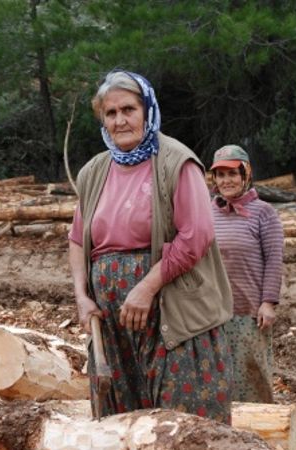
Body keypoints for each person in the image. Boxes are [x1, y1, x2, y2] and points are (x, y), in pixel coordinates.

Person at [68, 70, 235, 423]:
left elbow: (197, 236)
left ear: (148, 110)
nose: (120, 120)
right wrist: (82, 296)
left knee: (179, 416)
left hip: (170, 308)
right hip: (113, 320)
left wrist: (147, 286)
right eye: (110, 113)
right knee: (123, 421)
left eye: (128, 109)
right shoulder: (93, 172)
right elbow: (77, 240)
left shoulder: (177, 161)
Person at [209, 145, 284, 403]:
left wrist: (268, 303)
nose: (226, 181)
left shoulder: (264, 212)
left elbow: (274, 259)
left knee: (251, 376)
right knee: (216, 375)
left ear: (245, 174)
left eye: (232, 174)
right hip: (212, 311)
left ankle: (258, 428)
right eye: (220, 175)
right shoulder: (208, 212)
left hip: (249, 312)